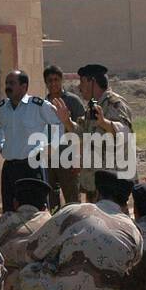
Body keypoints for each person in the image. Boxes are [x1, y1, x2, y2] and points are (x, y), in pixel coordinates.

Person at [19, 170, 143, 290]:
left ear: (97, 193)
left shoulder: (74, 212)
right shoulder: (133, 230)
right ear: (125, 201)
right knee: (115, 284)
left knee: (33, 270)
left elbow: (31, 252)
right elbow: (134, 274)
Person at [0, 70, 60, 210]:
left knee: (36, 209)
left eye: (12, 83)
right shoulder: (3, 108)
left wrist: (48, 146)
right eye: (6, 83)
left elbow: (58, 122)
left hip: (32, 167)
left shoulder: (38, 106)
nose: (8, 87)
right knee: (10, 209)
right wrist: (1, 146)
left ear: (24, 86)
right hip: (10, 167)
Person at [75, 63, 135, 200]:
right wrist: (66, 121)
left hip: (112, 183)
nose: (79, 87)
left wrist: (104, 123)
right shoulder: (94, 107)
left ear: (92, 81)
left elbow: (126, 132)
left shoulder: (115, 103)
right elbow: (82, 132)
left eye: (82, 82)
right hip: (95, 181)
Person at [42, 65, 86, 208]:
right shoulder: (43, 105)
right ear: (46, 83)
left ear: (61, 81)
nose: (53, 83)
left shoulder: (73, 102)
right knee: (51, 200)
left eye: (56, 80)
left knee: (72, 201)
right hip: (49, 159)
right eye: (50, 81)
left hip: (69, 158)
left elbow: (82, 131)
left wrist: (79, 159)